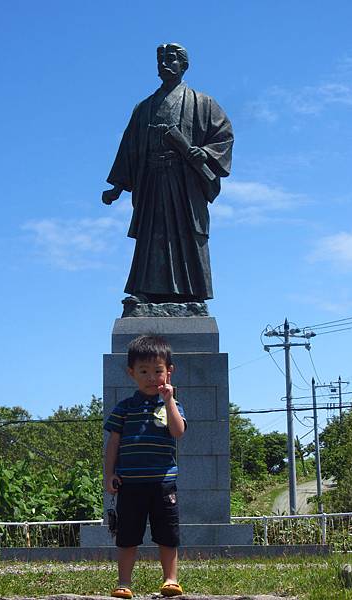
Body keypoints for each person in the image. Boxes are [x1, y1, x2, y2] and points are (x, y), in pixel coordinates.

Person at [102, 43, 233, 304]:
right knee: (153, 235)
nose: (164, 64)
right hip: (151, 180)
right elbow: (129, 147)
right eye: (160, 59)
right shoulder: (144, 108)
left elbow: (224, 136)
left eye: (170, 59)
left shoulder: (203, 103)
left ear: (183, 65)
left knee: (186, 232)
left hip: (186, 180)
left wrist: (205, 153)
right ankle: (144, 291)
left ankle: (193, 294)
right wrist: (117, 186)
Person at [104, 335, 187, 599]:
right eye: (144, 371)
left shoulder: (172, 405)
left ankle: (171, 579)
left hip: (163, 483)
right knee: (127, 535)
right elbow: (113, 443)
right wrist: (109, 474)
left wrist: (170, 400)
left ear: (168, 372)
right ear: (132, 373)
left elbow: (178, 431)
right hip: (130, 483)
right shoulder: (124, 408)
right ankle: (123, 582)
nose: (151, 377)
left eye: (157, 371)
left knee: (167, 533)